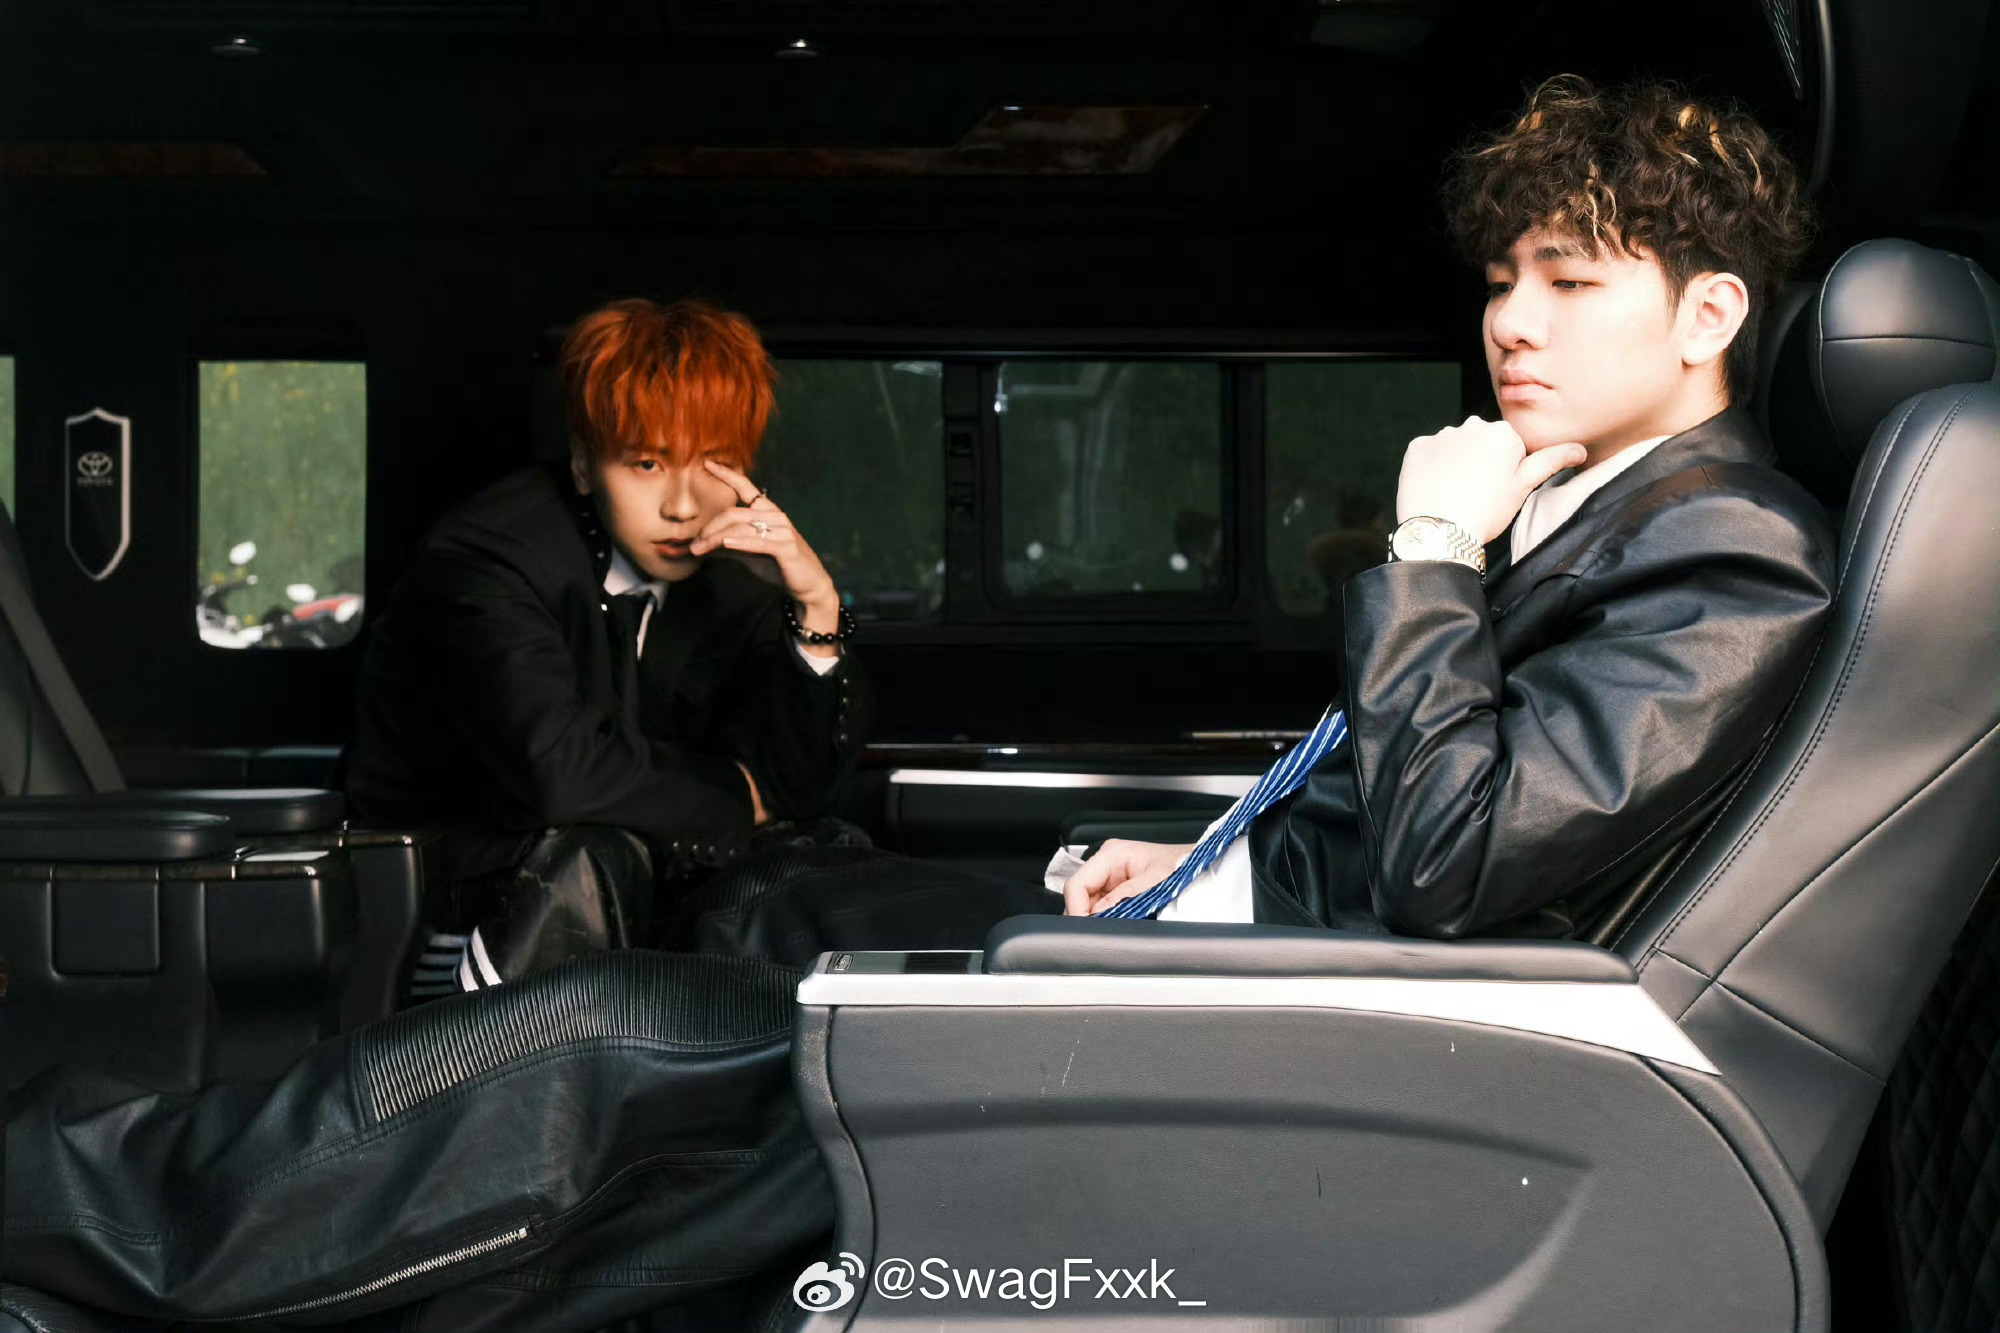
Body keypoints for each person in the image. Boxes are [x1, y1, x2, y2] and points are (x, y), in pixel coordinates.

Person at [673, 73, 1835, 960]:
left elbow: (1451, 859)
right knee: (778, 898)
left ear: (1707, 315)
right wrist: (1204, 854)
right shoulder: (1582, 507)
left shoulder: (1730, 546)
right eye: (1499, 282)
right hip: (1265, 920)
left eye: (1568, 281)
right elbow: (1400, 792)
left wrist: (1432, 553)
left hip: (1316, 992)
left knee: (773, 924)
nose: (1509, 323)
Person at [346, 296, 871, 993]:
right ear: (585, 464)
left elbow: (801, 788)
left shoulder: (734, 574)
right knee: (591, 852)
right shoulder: (488, 558)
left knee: (825, 852)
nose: (683, 506)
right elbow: (560, 773)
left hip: (639, 895)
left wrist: (816, 605)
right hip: (451, 897)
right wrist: (737, 797)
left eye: (713, 462)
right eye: (647, 463)